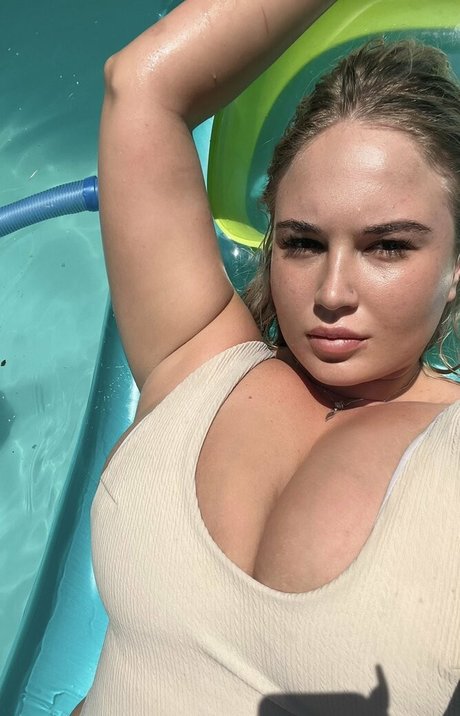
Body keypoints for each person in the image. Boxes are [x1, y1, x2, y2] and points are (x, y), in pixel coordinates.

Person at [71, 0, 460, 714]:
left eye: (388, 247)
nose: (332, 293)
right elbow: (141, 83)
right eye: (302, 242)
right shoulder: (195, 356)